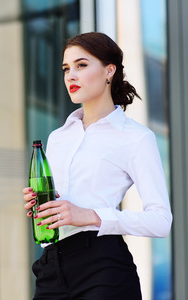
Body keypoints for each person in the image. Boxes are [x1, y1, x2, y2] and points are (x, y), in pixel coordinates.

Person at [22, 32, 173, 300]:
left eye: (81, 65)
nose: (70, 75)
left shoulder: (135, 137)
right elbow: (63, 202)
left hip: (102, 267)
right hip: (51, 266)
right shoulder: (58, 137)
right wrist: (41, 204)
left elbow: (161, 221)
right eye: (66, 68)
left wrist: (91, 215)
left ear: (109, 71)